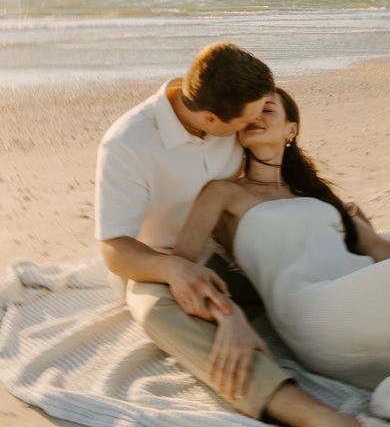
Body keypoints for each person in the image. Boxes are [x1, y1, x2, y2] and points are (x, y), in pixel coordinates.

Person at [173, 86, 390, 426]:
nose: (256, 116)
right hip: (312, 310)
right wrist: (228, 317)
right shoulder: (224, 193)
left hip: (360, 291)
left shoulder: (317, 197)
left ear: (291, 129)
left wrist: (380, 242)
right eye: (250, 110)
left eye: (268, 109)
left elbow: (380, 253)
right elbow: (182, 266)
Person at [96, 43, 359, 427]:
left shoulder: (229, 103)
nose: (253, 125)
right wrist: (174, 271)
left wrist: (337, 213)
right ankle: (299, 407)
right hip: (160, 262)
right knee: (156, 311)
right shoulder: (127, 144)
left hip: (236, 248)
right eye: (246, 121)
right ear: (212, 120)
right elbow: (114, 248)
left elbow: (273, 162)